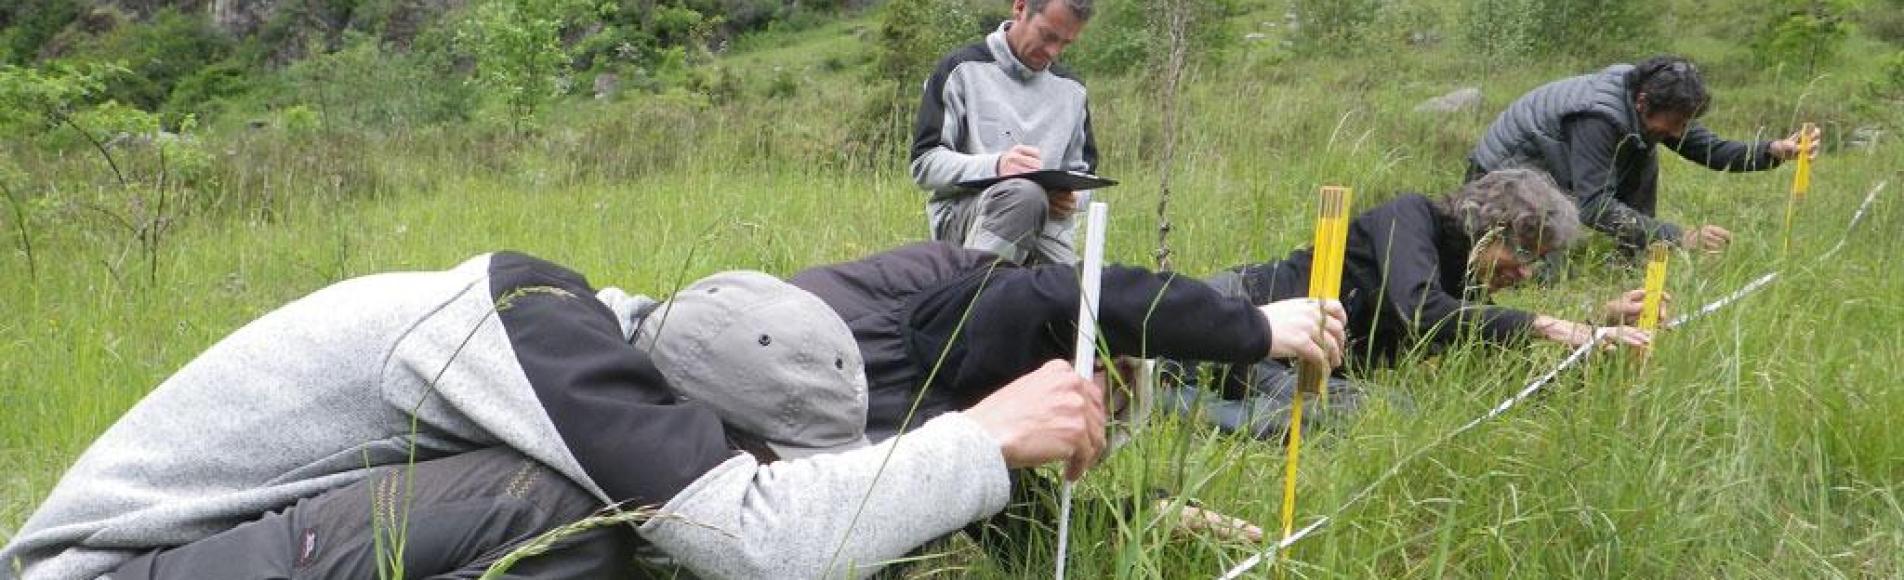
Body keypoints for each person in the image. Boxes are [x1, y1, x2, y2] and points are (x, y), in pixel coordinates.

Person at [1, 252, 1110, 579]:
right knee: (560, 511)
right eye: (756, 454)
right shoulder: (536, 338)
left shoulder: (602, 338)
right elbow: (762, 539)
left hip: (222, 552)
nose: (760, 469)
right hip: (103, 573)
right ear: (686, 406)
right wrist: (978, 438)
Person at [786, 241, 1344, 569]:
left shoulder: (984, 407)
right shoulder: (976, 310)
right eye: (1103, 407)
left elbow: (1028, 530)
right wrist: (1253, 328)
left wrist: (1148, 518)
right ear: (1102, 361)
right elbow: (1055, 295)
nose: (1070, 438)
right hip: (746, 412)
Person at [1175, 169, 1658, 438]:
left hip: (1296, 360)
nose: (1527, 272)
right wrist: (1553, 325)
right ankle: (1180, 406)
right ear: (1490, 225)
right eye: (1524, 252)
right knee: (1373, 415)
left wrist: (1598, 326)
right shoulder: (1408, 217)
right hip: (1239, 317)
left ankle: (1192, 407)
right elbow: (1420, 310)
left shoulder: (1464, 287)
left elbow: (1509, 379)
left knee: (1384, 414)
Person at [1467, 55, 1821, 254]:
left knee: (1644, 151)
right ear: (1643, 103)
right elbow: (1594, 206)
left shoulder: (1648, 106)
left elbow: (1707, 148)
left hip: (1547, 172)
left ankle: (1631, 255)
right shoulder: (1599, 119)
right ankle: (1639, 248)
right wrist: (1678, 235)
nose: (1681, 132)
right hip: (1499, 185)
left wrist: (1772, 151)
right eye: (1677, 122)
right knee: (1541, 271)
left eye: (1686, 122)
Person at [910, 0, 1099, 265]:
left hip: (1047, 231)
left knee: (1100, 295)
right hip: (966, 225)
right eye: (1047, 36)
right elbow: (924, 164)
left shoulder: (1073, 91)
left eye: (1065, 43)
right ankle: (971, 296)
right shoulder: (960, 69)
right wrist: (997, 166)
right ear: (1020, 8)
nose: (1053, 52)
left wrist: (1073, 199)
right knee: (1024, 196)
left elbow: (1085, 177)